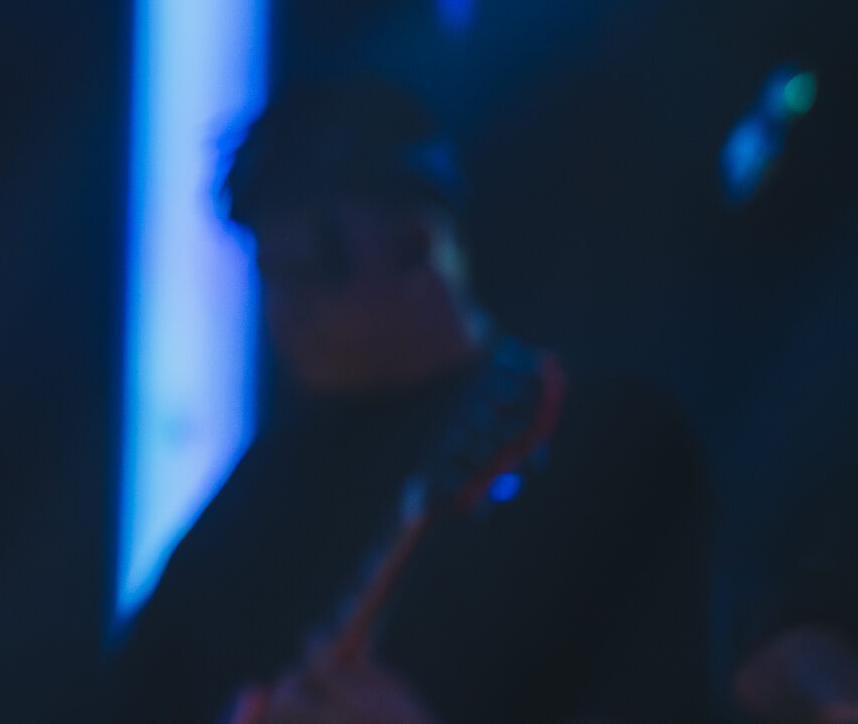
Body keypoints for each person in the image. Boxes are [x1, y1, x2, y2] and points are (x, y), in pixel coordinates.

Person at [96, 78, 710, 724]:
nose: (284, 313)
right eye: (269, 276)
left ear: (419, 245)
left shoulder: (601, 440)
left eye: (311, 273)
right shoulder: (264, 485)